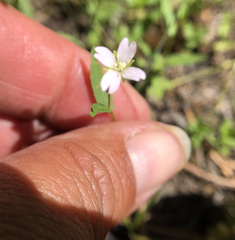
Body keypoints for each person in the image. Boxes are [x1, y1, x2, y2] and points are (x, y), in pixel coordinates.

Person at [0, 3, 191, 240]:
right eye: (118, 64)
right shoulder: (113, 72)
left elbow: (120, 71)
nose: (120, 65)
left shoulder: (122, 71)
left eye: (122, 64)